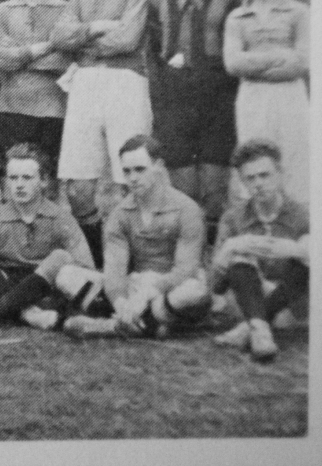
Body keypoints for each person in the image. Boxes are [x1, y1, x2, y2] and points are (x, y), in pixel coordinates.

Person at [50, 0, 153, 266]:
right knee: (78, 186)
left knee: (131, 179)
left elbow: (127, 39)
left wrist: (81, 39)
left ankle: (135, 262)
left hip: (125, 82)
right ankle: (98, 261)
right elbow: (58, 36)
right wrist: (94, 28)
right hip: (85, 84)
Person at [60, 135, 211, 339]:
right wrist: (122, 304)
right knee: (66, 275)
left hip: (170, 288)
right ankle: (146, 324)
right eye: (127, 171)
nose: (132, 178)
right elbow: (114, 272)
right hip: (136, 286)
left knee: (195, 290)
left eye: (140, 169)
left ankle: (111, 326)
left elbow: (185, 270)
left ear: (158, 166)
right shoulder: (120, 214)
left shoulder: (186, 209)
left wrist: (148, 293)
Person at [146, 0, 241, 243]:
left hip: (217, 106)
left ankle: (215, 269)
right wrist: (159, 109)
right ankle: (190, 269)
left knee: (215, 192)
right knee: (183, 192)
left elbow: (234, 55)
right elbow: (153, 59)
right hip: (174, 107)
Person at [0, 144, 93, 336]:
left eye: (27, 178)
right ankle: (28, 314)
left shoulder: (60, 218)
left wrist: (57, 288)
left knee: (61, 257)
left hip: (44, 287)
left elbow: (86, 266)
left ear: (44, 181)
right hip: (2, 281)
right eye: (13, 178)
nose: (19, 184)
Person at [223, 0, 309, 206]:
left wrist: (255, 63)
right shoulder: (237, 17)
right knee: (254, 160)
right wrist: (281, 55)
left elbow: (303, 62)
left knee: (294, 164)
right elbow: (234, 64)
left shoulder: (300, 12)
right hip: (252, 99)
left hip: (290, 97)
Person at [211, 140, 309, 362]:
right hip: (247, 301)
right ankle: (260, 331)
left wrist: (297, 251)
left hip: (292, 306)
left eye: (265, 175)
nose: (258, 184)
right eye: (250, 178)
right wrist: (228, 249)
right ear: (242, 181)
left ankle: (252, 326)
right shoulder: (233, 218)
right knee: (239, 252)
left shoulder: (304, 216)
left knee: (309, 247)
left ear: (280, 173)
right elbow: (215, 288)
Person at [0, 0, 70, 184]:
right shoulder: (4, 11)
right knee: (9, 186)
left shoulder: (64, 10)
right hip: (11, 110)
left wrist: (18, 54)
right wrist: (43, 48)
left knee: (48, 187)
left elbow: (64, 61)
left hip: (52, 112)